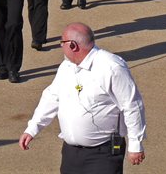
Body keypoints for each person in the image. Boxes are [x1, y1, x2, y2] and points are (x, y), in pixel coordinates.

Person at [19, 23, 147, 171]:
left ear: (73, 45)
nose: (61, 46)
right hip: (71, 153)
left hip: (103, 154)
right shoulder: (66, 67)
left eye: (62, 42)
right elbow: (52, 97)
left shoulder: (111, 67)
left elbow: (132, 105)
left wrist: (135, 144)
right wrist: (33, 128)